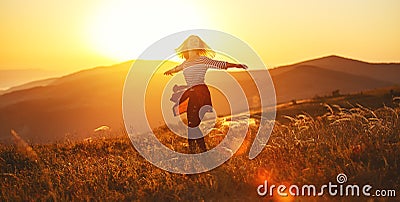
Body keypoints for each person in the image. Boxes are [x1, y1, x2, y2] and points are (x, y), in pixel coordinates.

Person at [164, 35, 248, 154]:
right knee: (192, 125)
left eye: (196, 41)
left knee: (192, 125)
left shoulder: (203, 60)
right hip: (191, 93)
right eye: (191, 41)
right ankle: (200, 152)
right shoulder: (186, 63)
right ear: (186, 45)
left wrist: (237, 65)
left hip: (200, 93)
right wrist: (169, 71)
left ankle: (197, 153)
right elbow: (177, 68)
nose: (193, 43)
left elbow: (221, 64)